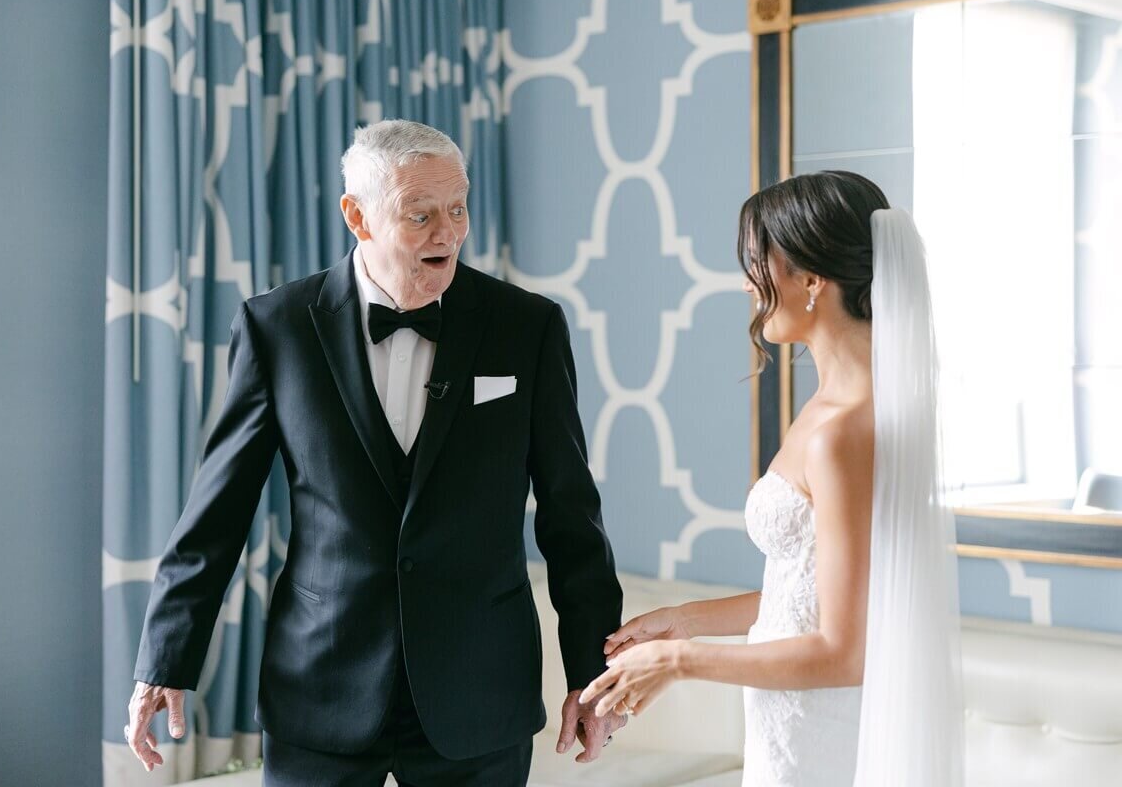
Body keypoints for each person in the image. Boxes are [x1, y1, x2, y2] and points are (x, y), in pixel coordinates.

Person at [125, 119, 626, 786]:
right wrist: (165, 659)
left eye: (458, 209)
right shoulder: (277, 328)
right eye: (421, 215)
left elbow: (571, 518)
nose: (448, 233)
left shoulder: (526, 326)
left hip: (479, 692)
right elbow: (217, 513)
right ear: (356, 217)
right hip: (320, 689)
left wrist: (595, 677)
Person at [579, 171, 964, 787]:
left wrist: (678, 660)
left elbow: (844, 649)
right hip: (786, 719)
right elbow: (812, 593)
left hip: (823, 729)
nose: (747, 283)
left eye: (759, 262)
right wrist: (689, 619)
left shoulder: (845, 428)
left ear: (812, 280)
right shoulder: (831, 407)